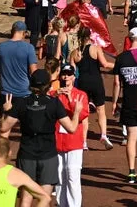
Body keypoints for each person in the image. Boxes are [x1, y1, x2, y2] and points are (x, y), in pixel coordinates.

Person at [0, 69, 83, 207]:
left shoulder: (21, 102)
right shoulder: (54, 103)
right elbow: (72, 128)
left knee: (26, 198)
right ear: (48, 85)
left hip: (27, 153)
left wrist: (7, 110)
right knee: (44, 197)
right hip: (48, 155)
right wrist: (77, 112)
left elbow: (3, 127)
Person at [113, 27, 137, 184]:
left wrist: (115, 102)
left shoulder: (121, 58)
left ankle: (131, 171)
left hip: (128, 101)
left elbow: (117, 83)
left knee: (131, 137)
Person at [72, 26, 113, 149]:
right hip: (96, 81)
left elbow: (73, 72)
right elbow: (105, 64)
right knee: (101, 110)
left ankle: (84, 142)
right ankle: (104, 135)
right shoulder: (95, 48)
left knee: (84, 113)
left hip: (83, 82)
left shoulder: (75, 53)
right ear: (90, 36)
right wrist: (118, 65)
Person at [53, 65, 88, 207]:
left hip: (74, 142)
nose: (66, 77)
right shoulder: (55, 94)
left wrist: (71, 101)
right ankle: (61, 204)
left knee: (73, 176)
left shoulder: (81, 94)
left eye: (69, 74)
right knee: (60, 176)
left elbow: (83, 114)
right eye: (64, 74)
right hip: (58, 141)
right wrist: (57, 93)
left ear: (74, 76)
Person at [0, 21, 39, 117]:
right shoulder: (29, 48)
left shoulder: (0, 47)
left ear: (12, 31)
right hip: (24, 92)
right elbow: (34, 72)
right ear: (24, 33)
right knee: (24, 125)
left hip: (5, 93)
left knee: (5, 127)